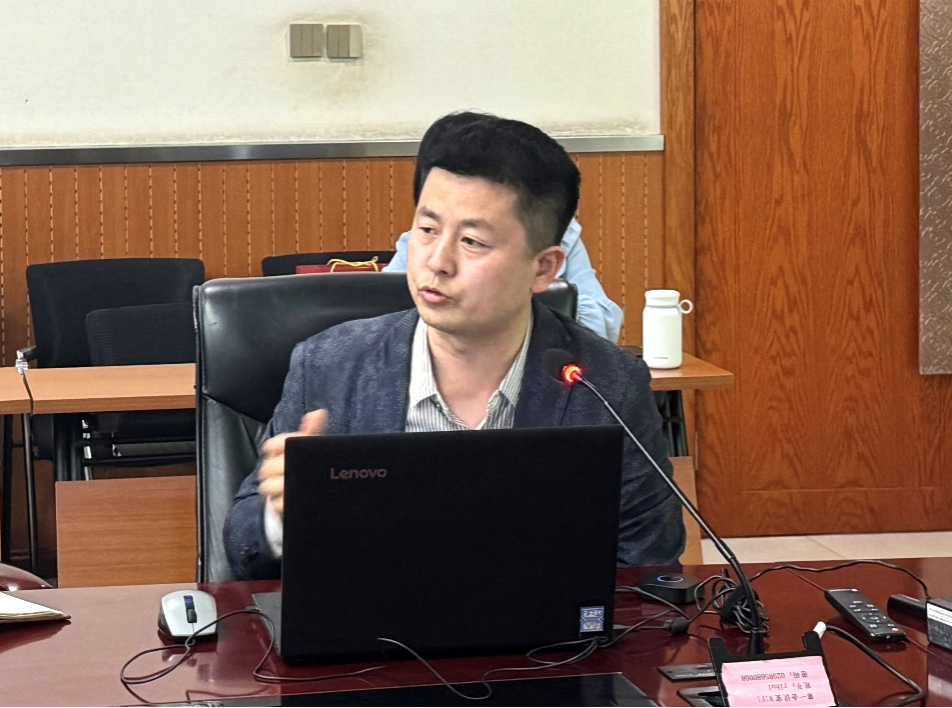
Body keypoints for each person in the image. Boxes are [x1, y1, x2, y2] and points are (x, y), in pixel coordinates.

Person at [223, 111, 685, 580]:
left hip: (547, 629)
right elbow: (243, 552)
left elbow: (649, 566)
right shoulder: (330, 364)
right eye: (427, 230)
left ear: (543, 269)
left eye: (472, 241)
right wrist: (280, 515)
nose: (437, 261)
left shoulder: (607, 384)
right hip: (369, 626)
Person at [386, 220, 623, 342]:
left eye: (472, 242)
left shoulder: (558, 235)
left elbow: (602, 325)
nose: (439, 263)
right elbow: (379, 315)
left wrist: (516, 297)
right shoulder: (420, 239)